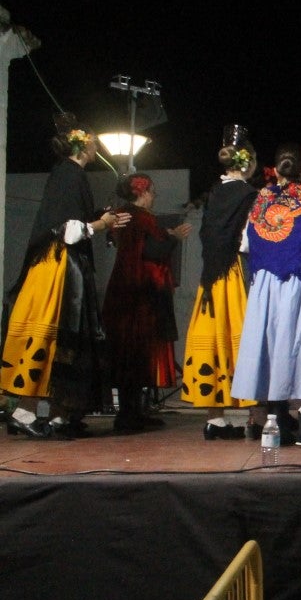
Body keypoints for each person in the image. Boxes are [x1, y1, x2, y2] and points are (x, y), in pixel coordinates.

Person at [3, 114, 131, 439]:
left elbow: (74, 222)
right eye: (93, 140)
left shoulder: (70, 175)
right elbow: (68, 231)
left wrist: (103, 220)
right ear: (84, 143)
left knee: (66, 342)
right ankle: (24, 410)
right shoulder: (68, 175)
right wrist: (101, 224)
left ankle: (60, 414)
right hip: (57, 270)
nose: (97, 145)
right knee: (49, 336)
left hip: (66, 268)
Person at [231, 143, 301, 447]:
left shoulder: (262, 200)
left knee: (274, 347)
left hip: (269, 284)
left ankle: (277, 423)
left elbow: (245, 244)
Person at [181, 125, 261, 440]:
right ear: (250, 162)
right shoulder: (249, 195)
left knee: (215, 341)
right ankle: (257, 418)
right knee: (246, 339)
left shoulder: (215, 193)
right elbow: (246, 241)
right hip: (237, 275)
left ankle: (215, 419)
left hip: (211, 279)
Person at [101, 172, 192, 432]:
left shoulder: (126, 217)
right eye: (152, 191)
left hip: (127, 290)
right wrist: (173, 238)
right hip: (140, 295)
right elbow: (152, 252)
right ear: (141, 192)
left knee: (131, 353)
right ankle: (129, 415)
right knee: (136, 353)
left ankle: (133, 412)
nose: (154, 196)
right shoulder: (139, 218)